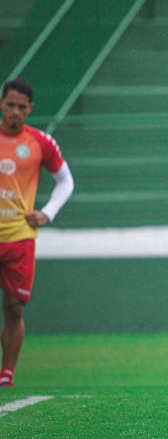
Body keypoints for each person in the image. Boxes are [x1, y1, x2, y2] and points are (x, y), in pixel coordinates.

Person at [0, 78, 74, 387]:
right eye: (10, 105)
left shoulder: (41, 142)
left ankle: (6, 375)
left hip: (20, 237)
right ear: (1, 103)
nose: (15, 111)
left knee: (14, 307)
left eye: (21, 107)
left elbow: (66, 181)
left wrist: (47, 212)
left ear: (30, 109)